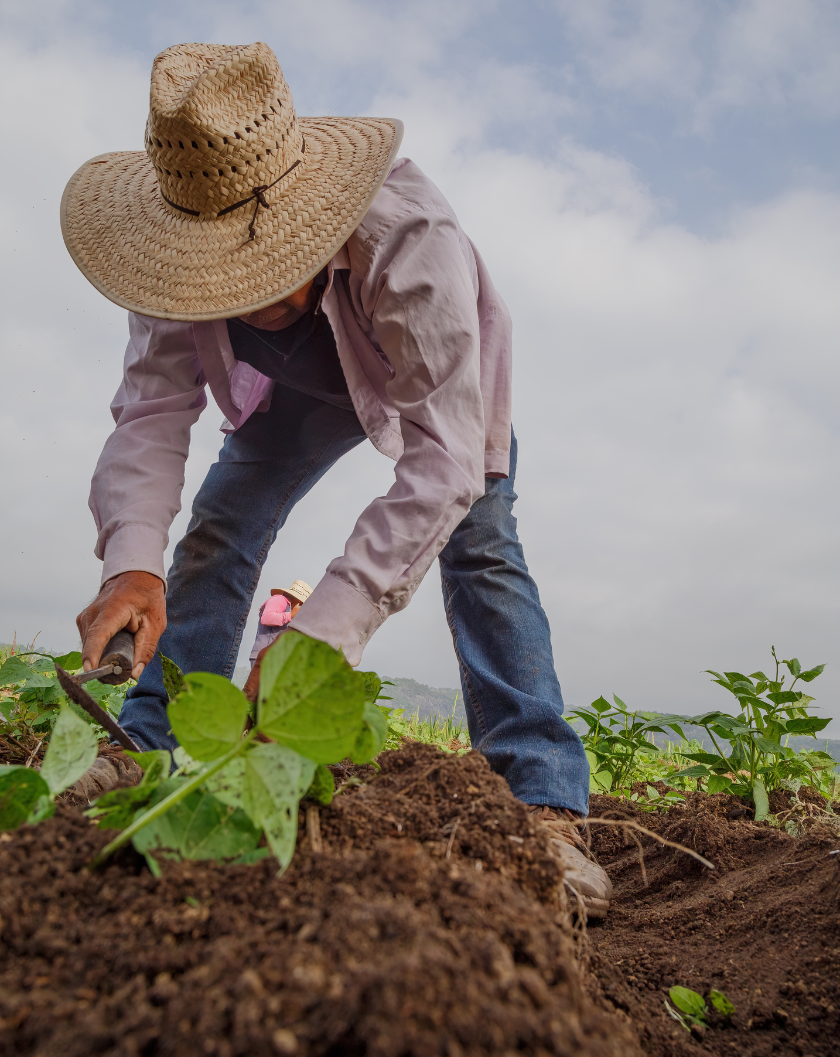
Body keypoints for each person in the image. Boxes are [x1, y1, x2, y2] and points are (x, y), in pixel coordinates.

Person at [64, 42, 611, 916]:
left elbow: (444, 460)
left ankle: (541, 798)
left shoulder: (409, 238)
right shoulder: (169, 255)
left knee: (484, 553)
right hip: (292, 394)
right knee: (218, 525)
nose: (253, 298)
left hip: (432, 391)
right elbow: (152, 413)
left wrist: (318, 637)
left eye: (272, 266)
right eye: (226, 279)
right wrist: (131, 561)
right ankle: (149, 742)